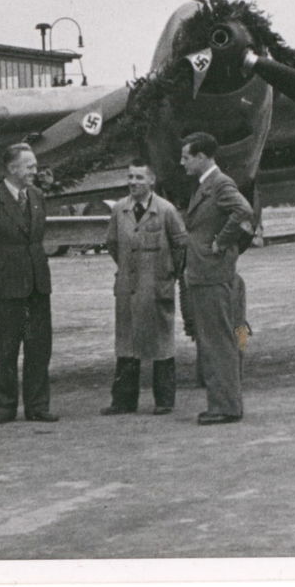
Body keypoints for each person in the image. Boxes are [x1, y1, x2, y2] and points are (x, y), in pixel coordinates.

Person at [0, 142, 56, 424]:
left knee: (38, 348)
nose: (35, 171)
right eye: (29, 166)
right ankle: (5, 408)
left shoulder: (38, 196)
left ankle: (37, 406)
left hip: (37, 288)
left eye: (35, 166)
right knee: (7, 350)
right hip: (6, 290)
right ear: (12, 168)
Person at [178, 132, 257, 425]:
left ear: (202, 157)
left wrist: (221, 242)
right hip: (205, 271)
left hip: (212, 272)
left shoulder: (220, 183)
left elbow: (244, 210)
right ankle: (225, 404)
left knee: (217, 340)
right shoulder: (207, 185)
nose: (182, 162)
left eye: (186, 157)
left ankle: (225, 407)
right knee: (217, 339)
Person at [102, 161, 187, 416]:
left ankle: (164, 401)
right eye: (130, 177)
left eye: (139, 177)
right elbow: (113, 243)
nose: (133, 182)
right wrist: (130, 267)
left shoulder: (166, 210)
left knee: (161, 343)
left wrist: (168, 274)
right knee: (126, 343)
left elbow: (180, 245)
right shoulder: (119, 209)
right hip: (128, 286)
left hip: (156, 285)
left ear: (152, 181)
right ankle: (123, 401)